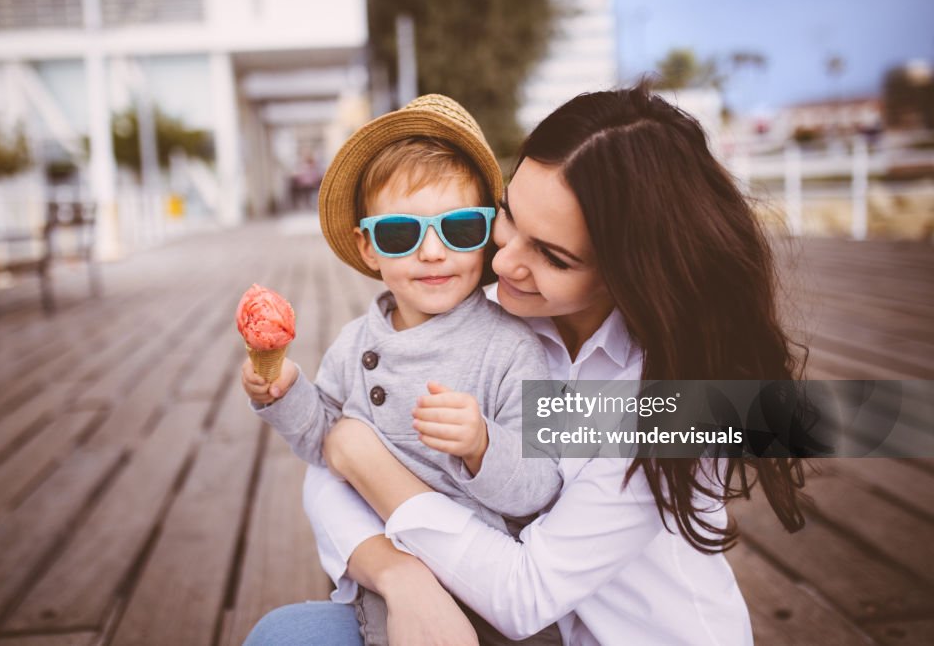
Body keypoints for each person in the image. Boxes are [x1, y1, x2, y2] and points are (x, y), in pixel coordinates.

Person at [246, 86, 809, 645]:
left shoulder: (683, 402)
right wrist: (397, 574)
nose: (506, 260)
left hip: (594, 630)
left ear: (630, 273)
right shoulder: (483, 316)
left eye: (552, 255)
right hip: (459, 593)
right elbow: (329, 475)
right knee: (281, 636)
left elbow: (523, 593)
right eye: (509, 218)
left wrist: (360, 452)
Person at [242, 94, 564, 645]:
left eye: (459, 228)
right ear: (369, 249)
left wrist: (482, 444)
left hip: (485, 595)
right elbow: (324, 441)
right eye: (401, 233)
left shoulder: (512, 349)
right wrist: (284, 392)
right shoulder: (355, 344)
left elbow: (540, 488)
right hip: (384, 568)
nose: (433, 252)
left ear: (487, 234)